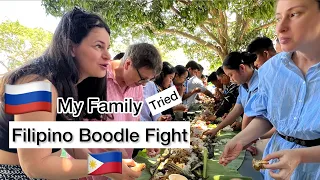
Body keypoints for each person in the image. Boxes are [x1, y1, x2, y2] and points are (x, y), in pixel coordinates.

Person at [0, 7, 141, 180]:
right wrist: (107, 166)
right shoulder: (36, 85)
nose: (108, 55)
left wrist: (111, 163)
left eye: (108, 47)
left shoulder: (71, 85)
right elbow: (34, 166)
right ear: (71, 47)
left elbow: (71, 143)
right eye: (99, 46)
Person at [220, 0, 320, 179]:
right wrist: (240, 139)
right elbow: (265, 116)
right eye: (279, 18)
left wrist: (301, 156)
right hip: (276, 161)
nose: (280, 27)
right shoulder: (270, 70)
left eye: (294, 14)